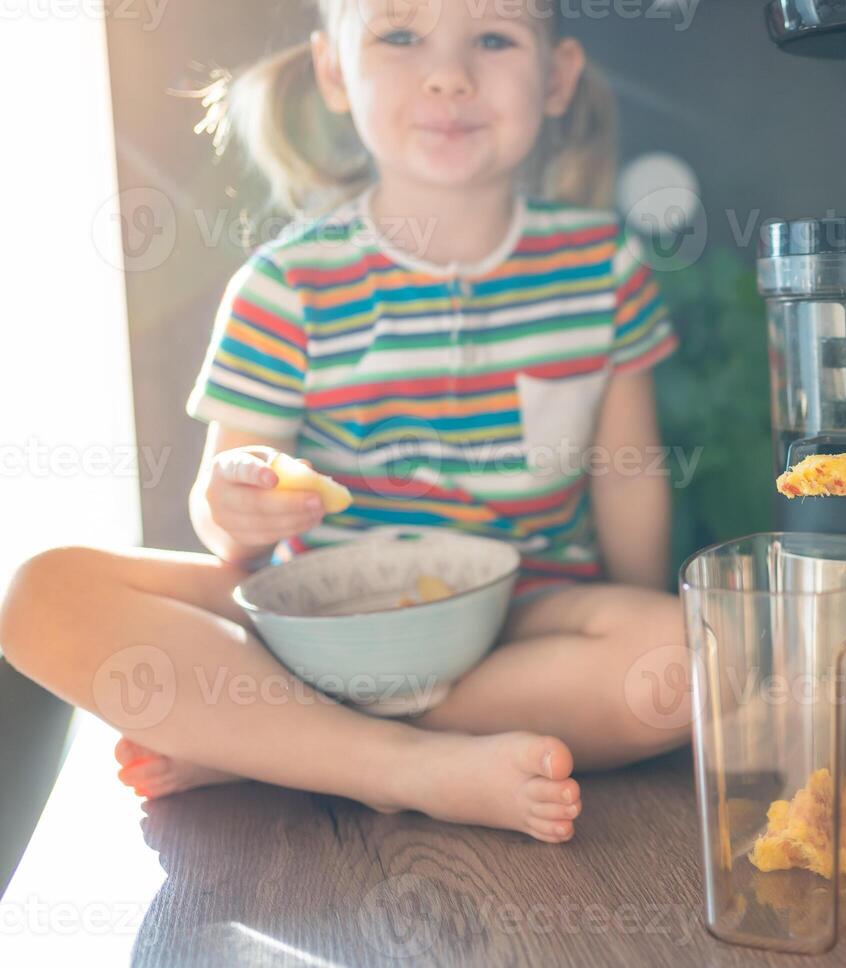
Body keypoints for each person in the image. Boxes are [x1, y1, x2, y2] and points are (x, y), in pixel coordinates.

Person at [0, 0, 692, 844]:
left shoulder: (602, 269)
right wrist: (238, 502)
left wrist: (650, 621)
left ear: (556, 77)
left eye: (495, 38)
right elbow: (226, 527)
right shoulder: (286, 284)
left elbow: (629, 474)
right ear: (333, 71)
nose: (449, 74)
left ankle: (269, 745)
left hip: (521, 621)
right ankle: (402, 767)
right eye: (400, 36)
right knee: (40, 594)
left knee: (679, 660)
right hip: (311, 626)